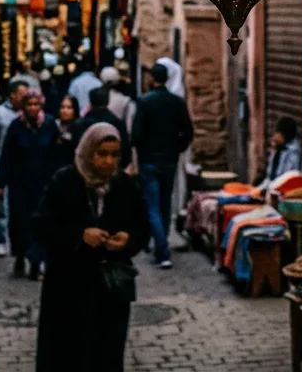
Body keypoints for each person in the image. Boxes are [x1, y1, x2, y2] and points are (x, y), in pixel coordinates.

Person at [32, 124, 149, 372]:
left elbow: (142, 227)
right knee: (67, 355)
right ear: (88, 152)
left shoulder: (124, 186)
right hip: (68, 289)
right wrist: (79, 236)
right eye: (102, 153)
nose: (108, 161)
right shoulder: (64, 181)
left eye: (114, 154)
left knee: (106, 355)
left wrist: (128, 240)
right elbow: (41, 225)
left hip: (110, 290)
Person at [131, 62, 193, 269]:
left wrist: (140, 154)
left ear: (152, 79)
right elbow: (188, 131)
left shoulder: (144, 102)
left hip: (149, 160)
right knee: (164, 203)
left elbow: (137, 134)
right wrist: (177, 148)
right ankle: (162, 243)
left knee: (153, 206)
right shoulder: (177, 102)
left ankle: (162, 249)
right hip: (169, 160)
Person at [0, 89, 62, 279]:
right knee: (20, 223)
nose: (32, 108)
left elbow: (56, 156)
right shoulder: (16, 126)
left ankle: (36, 263)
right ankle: (20, 257)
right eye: (29, 105)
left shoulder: (49, 125)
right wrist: (1, 183)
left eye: (36, 104)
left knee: (39, 224)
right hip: (20, 185)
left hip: (43, 185)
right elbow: (6, 156)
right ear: (23, 107)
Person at [0, 77, 30, 257]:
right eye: (22, 95)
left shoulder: (30, 115)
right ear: (12, 95)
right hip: (2, 164)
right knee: (2, 205)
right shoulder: (0, 113)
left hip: (23, 168)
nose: (26, 98)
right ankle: (2, 239)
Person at [72, 87, 131, 168]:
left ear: (90, 102)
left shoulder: (81, 124)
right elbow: (126, 152)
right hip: (111, 172)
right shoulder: (117, 123)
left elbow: (73, 152)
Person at [261, 116, 302, 186]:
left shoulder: (294, 151)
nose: (274, 136)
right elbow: (269, 176)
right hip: (273, 187)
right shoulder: (278, 148)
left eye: (277, 133)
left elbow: (288, 177)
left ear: (285, 134)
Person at [56, 94, 80, 169]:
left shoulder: (79, 127)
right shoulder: (54, 125)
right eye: (62, 107)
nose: (65, 110)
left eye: (69, 108)